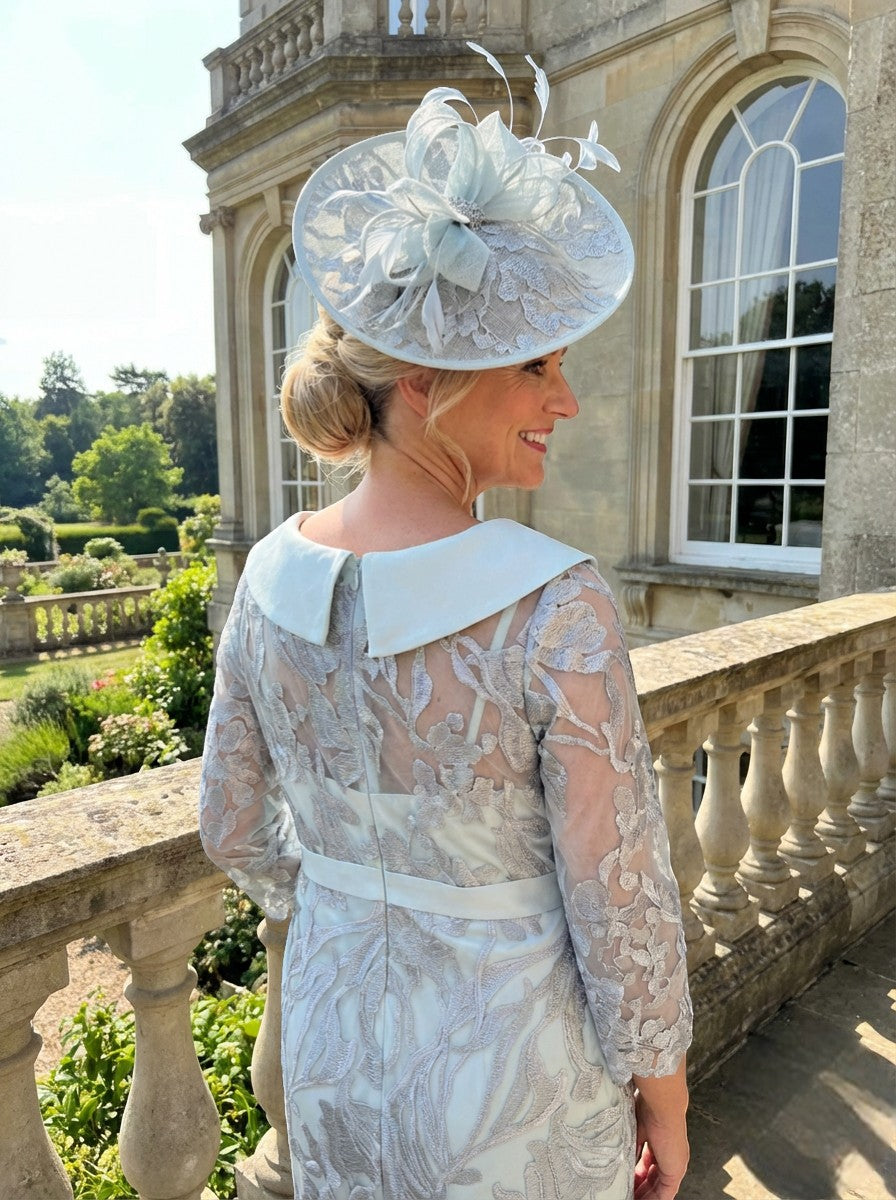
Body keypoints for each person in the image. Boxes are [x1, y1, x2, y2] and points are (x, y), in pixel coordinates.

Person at [199, 44, 692, 1200]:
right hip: (510, 1074)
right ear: (425, 381)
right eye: (535, 366)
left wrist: (352, 899)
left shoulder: (267, 574)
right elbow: (614, 892)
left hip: (328, 1044)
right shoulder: (550, 597)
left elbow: (228, 819)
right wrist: (661, 1093)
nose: (563, 400)